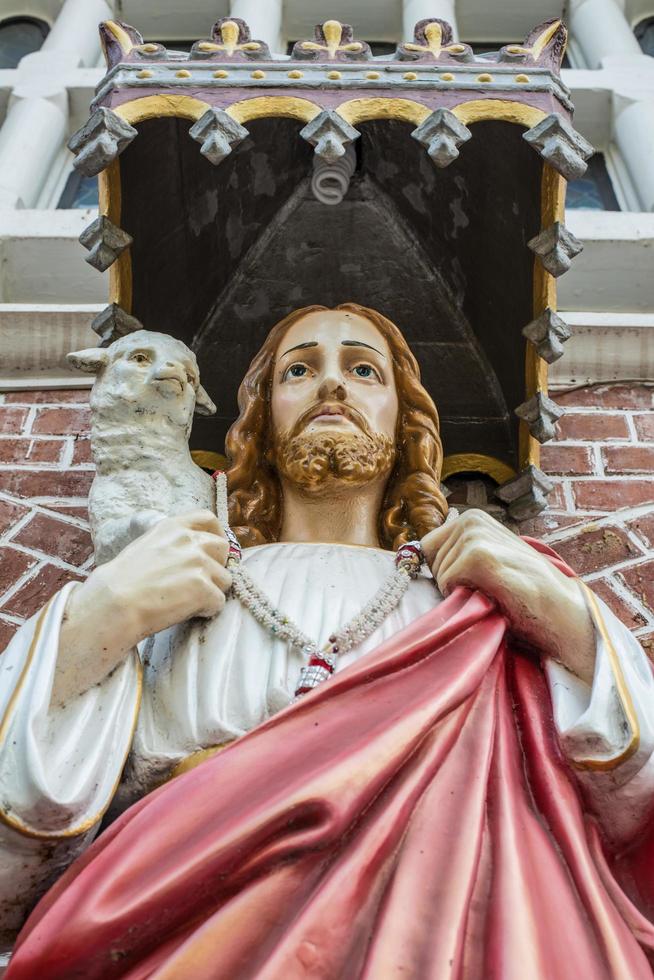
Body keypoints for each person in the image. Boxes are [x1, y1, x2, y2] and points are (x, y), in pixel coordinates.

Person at [3, 304, 654, 979]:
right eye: (300, 369)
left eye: (363, 368)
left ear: (407, 424)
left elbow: (630, 811)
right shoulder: (181, 584)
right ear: (260, 416)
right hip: (189, 925)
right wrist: (98, 619)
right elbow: (17, 845)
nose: (332, 384)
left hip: (437, 934)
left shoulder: (471, 599)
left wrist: (564, 615)